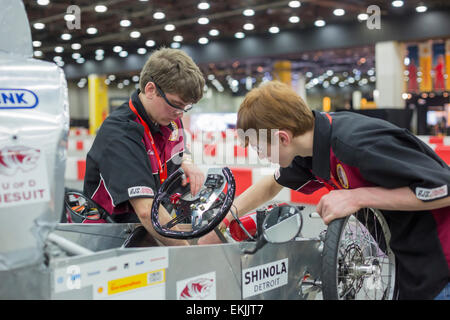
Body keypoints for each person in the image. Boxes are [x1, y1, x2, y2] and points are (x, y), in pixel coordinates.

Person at [199, 80, 450, 300]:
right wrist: (223, 219)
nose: (260, 155)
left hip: (441, 260)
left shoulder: (356, 144)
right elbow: (271, 184)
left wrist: (357, 196)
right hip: (407, 262)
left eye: (259, 147)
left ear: (282, 138)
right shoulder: (309, 150)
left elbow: (444, 189)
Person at [83, 47, 205, 246]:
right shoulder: (120, 132)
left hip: (152, 229)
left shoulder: (170, 118)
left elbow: (179, 148)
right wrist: (187, 254)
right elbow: (146, 211)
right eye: (176, 104)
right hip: (112, 239)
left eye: (186, 107)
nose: (181, 114)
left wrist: (187, 162)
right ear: (150, 90)